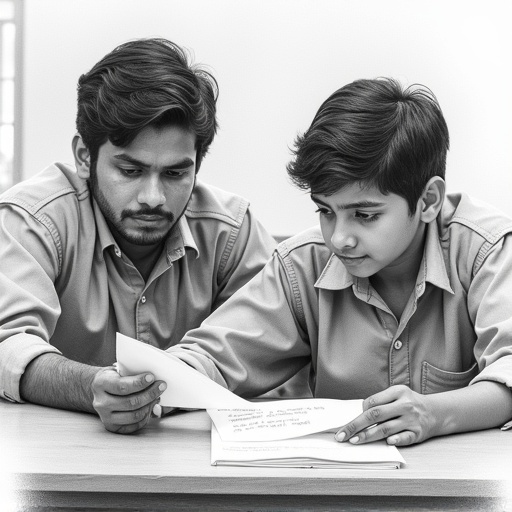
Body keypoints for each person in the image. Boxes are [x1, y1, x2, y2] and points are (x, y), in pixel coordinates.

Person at [167, 77, 512, 446]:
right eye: (325, 211)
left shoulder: (486, 251)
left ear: (427, 201)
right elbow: (213, 357)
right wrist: (154, 381)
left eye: (364, 215)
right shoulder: (302, 266)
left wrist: (434, 413)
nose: (338, 238)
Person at [0, 38, 277, 434]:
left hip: (196, 475)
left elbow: (275, 348)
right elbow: (6, 347)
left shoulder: (230, 231)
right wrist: (89, 386)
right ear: (84, 157)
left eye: (176, 173)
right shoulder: (34, 220)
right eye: (130, 171)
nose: (153, 198)